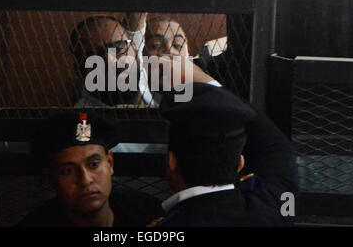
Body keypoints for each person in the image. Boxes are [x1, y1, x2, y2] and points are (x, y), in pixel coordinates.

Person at [150, 81, 298, 227]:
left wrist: (199, 80)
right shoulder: (276, 211)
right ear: (240, 164)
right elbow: (278, 151)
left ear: (172, 161)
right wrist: (204, 80)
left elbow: (279, 151)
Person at [17, 111, 163, 227]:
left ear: (110, 163)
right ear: (51, 179)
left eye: (93, 165)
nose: (86, 180)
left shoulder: (146, 212)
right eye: (68, 171)